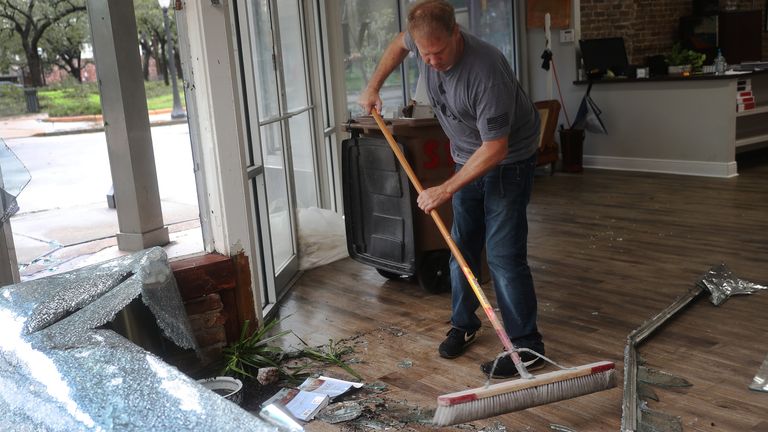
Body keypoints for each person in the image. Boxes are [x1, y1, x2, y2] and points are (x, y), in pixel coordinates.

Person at [358, 0, 544, 378]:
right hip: (466, 155)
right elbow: (398, 44)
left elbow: (495, 148)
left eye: (438, 51)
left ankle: (527, 346)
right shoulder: (421, 42)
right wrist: (373, 86)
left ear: (456, 34)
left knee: (505, 256)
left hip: (508, 162)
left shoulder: (485, 71)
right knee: (460, 245)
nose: (431, 61)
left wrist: (445, 189)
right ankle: (463, 324)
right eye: (424, 53)